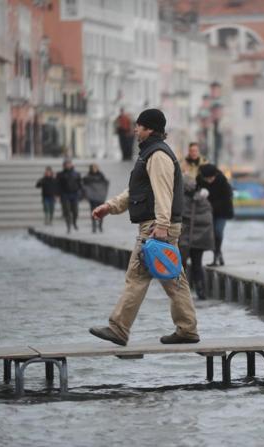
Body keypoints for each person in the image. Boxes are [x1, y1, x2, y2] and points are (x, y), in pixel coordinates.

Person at [89, 108, 200, 346]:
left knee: (137, 277)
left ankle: (118, 328)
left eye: (138, 126)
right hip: (160, 225)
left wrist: (160, 226)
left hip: (155, 227)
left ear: (149, 128)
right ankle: (187, 328)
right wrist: (110, 207)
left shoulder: (157, 155)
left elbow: (163, 193)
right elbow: (137, 191)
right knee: (173, 278)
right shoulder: (150, 153)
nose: (135, 129)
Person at [179, 175, 214, 300]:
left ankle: (181, 291)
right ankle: (200, 291)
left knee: (181, 265)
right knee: (196, 265)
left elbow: (179, 216)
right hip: (198, 239)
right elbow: (207, 218)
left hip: (186, 239)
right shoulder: (203, 200)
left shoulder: (182, 200)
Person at [197, 163, 234, 266]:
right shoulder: (200, 179)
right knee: (211, 235)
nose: (209, 180)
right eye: (207, 179)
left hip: (222, 211)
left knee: (218, 231)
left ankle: (217, 255)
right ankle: (217, 254)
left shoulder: (222, 180)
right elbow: (195, 190)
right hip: (208, 212)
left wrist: (212, 205)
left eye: (211, 178)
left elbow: (227, 197)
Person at [56, 158, 82, 234]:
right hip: (64, 195)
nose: (68, 165)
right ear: (64, 166)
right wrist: (57, 195)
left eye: (69, 164)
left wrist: (81, 194)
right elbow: (57, 185)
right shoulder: (60, 174)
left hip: (74, 194)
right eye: (66, 164)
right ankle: (68, 226)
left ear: (71, 165)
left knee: (75, 211)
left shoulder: (77, 174)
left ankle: (74, 222)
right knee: (67, 212)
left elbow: (80, 185)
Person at [83, 164, 110, 233]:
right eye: (93, 168)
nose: (95, 169)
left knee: (101, 211)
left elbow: (105, 184)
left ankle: (100, 225)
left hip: (100, 196)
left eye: (96, 168)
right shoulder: (88, 177)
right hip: (92, 197)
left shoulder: (101, 176)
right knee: (93, 211)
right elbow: (85, 186)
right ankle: (94, 226)